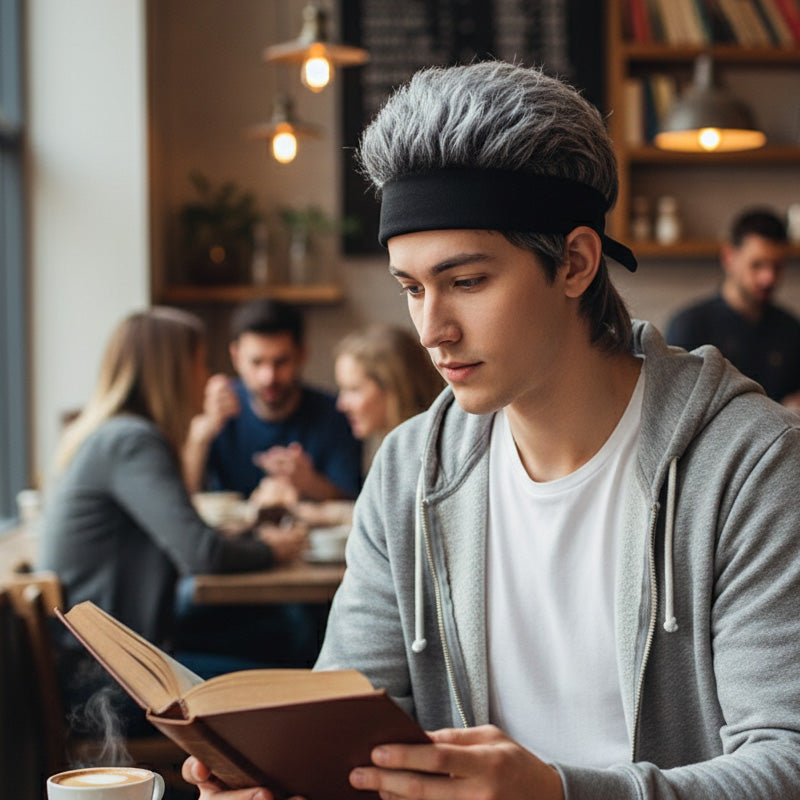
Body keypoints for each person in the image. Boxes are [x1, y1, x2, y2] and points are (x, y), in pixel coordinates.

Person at [183, 61, 800, 800]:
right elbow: (351, 743)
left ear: (574, 262)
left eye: (466, 282)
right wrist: (291, 782)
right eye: (411, 288)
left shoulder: (749, 463)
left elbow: (786, 762)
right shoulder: (411, 469)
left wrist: (557, 793)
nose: (431, 330)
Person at [37, 307, 306, 736]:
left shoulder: (112, 434)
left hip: (110, 669)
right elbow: (203, 554)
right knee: (298, 686)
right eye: (200, 362)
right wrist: (273, 548)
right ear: (175, 370)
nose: (207, 377)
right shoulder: (132, 441)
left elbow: (187, 536)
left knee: (286, 639)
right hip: (110, 687)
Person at [183, 298, 361, 501]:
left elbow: (353, 504)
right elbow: (184, 499)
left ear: (301, 355)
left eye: (280, 362)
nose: (268, 377)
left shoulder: (336, 413)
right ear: (236, 358)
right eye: (256, 362)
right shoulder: (216, 408)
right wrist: (200, 437)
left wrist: (309, 482)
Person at [665, 207, 800, 404]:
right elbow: (674, 410)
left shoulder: (790, 329)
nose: (768, 278)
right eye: (757, 265)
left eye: (777, 267)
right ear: (729, 257)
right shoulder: (690, 326)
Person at [334, 323, 443, 456]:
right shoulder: (391, 451)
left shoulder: (425, 454)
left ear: (394, 387)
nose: (341, 405)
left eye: (354, 390)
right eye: (342, 388)